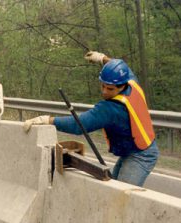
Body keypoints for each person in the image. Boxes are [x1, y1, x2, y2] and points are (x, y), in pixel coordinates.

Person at [23, 51, 159, 187]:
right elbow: (120, 68)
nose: (104, 91)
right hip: (133, 149)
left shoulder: (112, 109)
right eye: (102, 85)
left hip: (141, 155)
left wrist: (47, 120)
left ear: (121, 86)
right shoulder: (131, 82)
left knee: (124, 195)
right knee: (113, 189)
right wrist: (101, 58)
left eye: (110, 89)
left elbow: (79, 125)